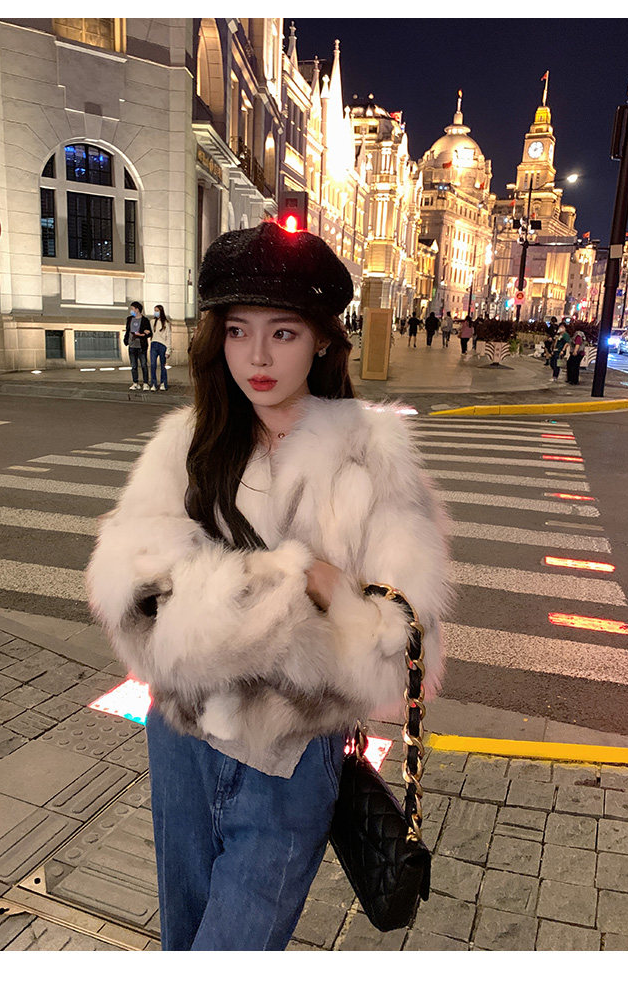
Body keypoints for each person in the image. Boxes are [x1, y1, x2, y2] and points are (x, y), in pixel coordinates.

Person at [86, 220, 451, 952]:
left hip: (294, 760)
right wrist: (289, 590)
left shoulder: (370, 454)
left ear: (321, 340)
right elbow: (130, 596)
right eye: (237, 331)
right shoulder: (189, 441)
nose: (256, 356)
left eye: (282, 332)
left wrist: (317, 599)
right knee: (183, 943)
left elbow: (403, 642)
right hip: (184, 739)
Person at [124, 302, 152, 390]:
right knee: (133, 365)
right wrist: (126, 340)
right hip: (132, 345)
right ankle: (135, 382)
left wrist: (142, 334)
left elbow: (149, 332)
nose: (131, 311)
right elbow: (127, 331)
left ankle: (145, 383)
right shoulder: (129, 319)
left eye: (132, 309)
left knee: (143, 364)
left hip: (141, 346)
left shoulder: (145, 320)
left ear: (137, 309)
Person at [149, 305, 172, 391]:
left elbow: (168, 337)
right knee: (153, 365)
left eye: (157, 311)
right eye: (155, 311)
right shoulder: (152, 322)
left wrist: (168, 350)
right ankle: (153, 384)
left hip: (163, 345)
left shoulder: (166, 323)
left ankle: (163, 383)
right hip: (154, 344)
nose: (155, 312)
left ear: (161, 311)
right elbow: (151, 333)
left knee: (163, 365)